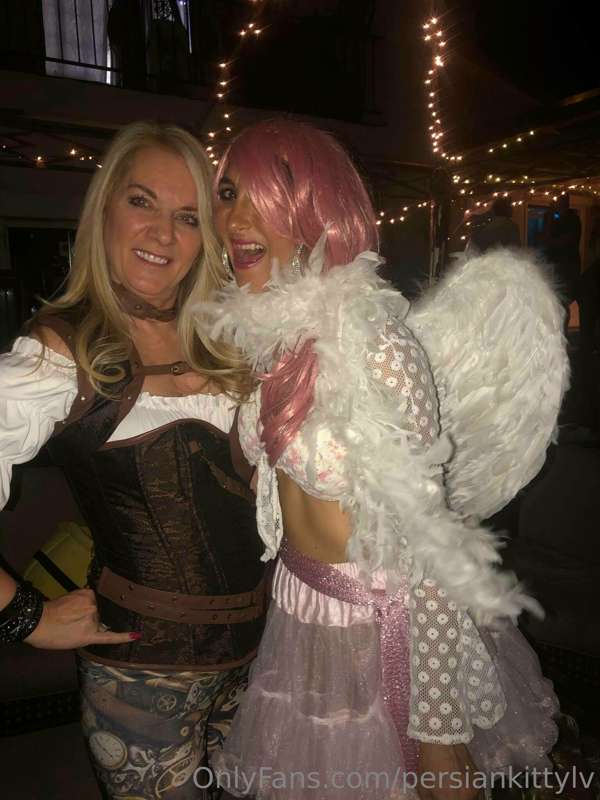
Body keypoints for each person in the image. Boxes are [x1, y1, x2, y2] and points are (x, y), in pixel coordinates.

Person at [195, 119, 569, 800]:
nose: (238, 218)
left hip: (379, 633)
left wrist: (439, 733)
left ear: (317, 208)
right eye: (228, 193)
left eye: (268, 194)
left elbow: (429, 551)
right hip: (299, 611)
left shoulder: (380, 348)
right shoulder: (270, 339)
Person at [0, 121, 266, 799]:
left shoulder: (230, 336)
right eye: (142, 202)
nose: (162, 234)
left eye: (188, 217)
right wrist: (25, 616)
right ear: (106, 209)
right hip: (142, 681)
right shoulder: (64, 352)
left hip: (265, 660)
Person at [543, 193, 582, 304]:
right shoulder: (554, 218)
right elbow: (547, 237)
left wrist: (550, 241)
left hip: (568, 264)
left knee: (567, 296)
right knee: (554, 295)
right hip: (556, 263)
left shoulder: (573, 219)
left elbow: (564, 241)